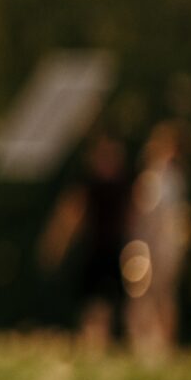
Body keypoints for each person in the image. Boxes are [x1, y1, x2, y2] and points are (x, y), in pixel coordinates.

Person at [42, 130, 130, 351]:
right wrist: (57, 244)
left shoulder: (122, 185)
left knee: (108, 306)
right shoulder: (88, 184)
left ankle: (101, 344)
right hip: (92, 252)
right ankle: (91, 344)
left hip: (114, 251)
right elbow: (71, 215)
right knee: (91, 305)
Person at [124, 121, 191, 357]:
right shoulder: (148, 177)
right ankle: (142, 344)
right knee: (142, 294)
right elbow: (138, 215)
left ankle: (164, 344)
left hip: (166, 244)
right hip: (144, 244)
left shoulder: (174, 179)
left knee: (164, 293)